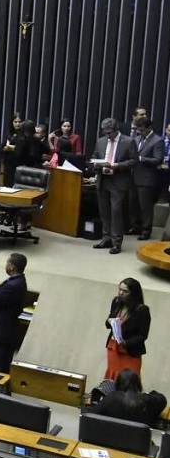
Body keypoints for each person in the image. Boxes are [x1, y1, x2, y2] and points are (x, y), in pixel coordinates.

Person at [92, 117, 138, 254]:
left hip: (118, 181)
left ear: (116, 129)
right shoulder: (101, 141)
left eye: (110, 132)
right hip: (103, 179)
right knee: (104, 211)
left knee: (116, 211)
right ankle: (106, 238)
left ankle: (116, 242)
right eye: (105, 132)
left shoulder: (129, 142)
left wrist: (117, 166)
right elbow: (95, 155)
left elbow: (134, 160)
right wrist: (95, 163)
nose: (107, 135)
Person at [102, 277, 149, 380]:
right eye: (120, 289)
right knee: (113, 377)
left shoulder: (142, 310)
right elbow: (108, 322)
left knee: (129, 380)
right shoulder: (116, 302)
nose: (121, 293)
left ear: (133, 293)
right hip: (114, 347)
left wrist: (126, 342)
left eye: (125, 291)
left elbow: (143, 335)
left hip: (130, 351)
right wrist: (109, 321)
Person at [88, 367, 166, 426]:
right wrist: (148, 394)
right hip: (138, 445)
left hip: (108, 441)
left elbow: (89, 414)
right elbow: (162, 399)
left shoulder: (111, 398)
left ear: (117, 385)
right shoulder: (149, 401)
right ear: (138, 384)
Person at [130, 117, 165, 239]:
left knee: (145, 207)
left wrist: (141, 159)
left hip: (147, 179)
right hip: (134, 176)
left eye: (142, 130)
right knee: (134, 204)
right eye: (138, 130)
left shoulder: (157, 141)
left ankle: (146, 230)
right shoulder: (137, 138)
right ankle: (136, 227)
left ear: (149, 128)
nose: (140, 132)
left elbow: (158, 159)